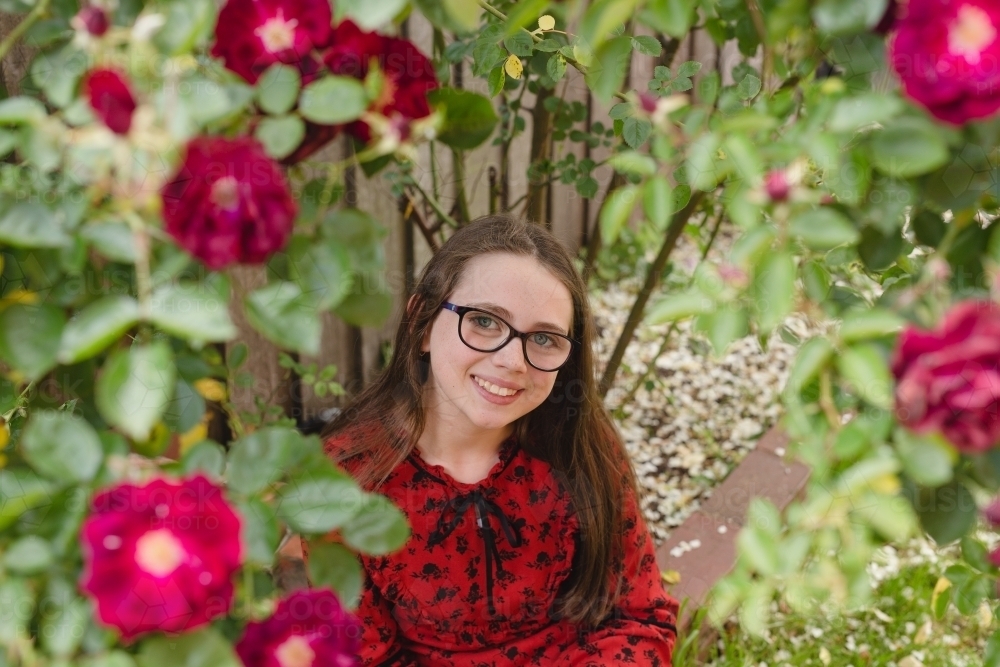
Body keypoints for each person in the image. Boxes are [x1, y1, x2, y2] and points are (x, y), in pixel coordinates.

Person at [318, 214, 679, 665]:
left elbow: (640, 617)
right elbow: (365, 657)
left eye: (544, 337)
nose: (512, 361)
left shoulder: (580, 447)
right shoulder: (348, 479)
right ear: (422, 323)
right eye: (485, 321)